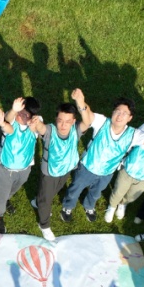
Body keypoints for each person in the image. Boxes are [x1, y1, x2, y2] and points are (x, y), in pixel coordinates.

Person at [60, 96, 144, 223]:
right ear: (112, 112)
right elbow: (88, 115)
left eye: (124, 113)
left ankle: (89, 206)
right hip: (87, 167)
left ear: (130, 118)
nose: (120, 116)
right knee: (75, 189)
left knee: (96, 192)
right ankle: (67, 206)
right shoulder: (102, 122)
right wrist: (80, 101)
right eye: (117, 111)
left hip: (107, 173)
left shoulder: (133, 134)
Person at [32, 96, 85, 239]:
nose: (63, 125)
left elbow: (87, 121)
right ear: (56, 119)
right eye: (60, 120)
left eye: (68, 121)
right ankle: (44, 225)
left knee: (51, 192)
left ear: (73, 121)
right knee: (46, 201)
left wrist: (81, 102)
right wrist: (37, 122)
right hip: (50, 172)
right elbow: (41, 128)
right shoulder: (50, 130)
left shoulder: (76, 130)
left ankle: (38, 201)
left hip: (66, 169)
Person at [0, 96, 43, 234]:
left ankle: (7, 199)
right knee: (1, 193)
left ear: (32, 117)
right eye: (20, 111)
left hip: (25, 169)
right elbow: (7, 121)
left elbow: (41, 128)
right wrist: (14, 110)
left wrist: (35, 125)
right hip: (5, 168)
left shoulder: (36, 123)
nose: (20, 115)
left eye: (25, 114)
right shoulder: (12, 121)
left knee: (15, 187)